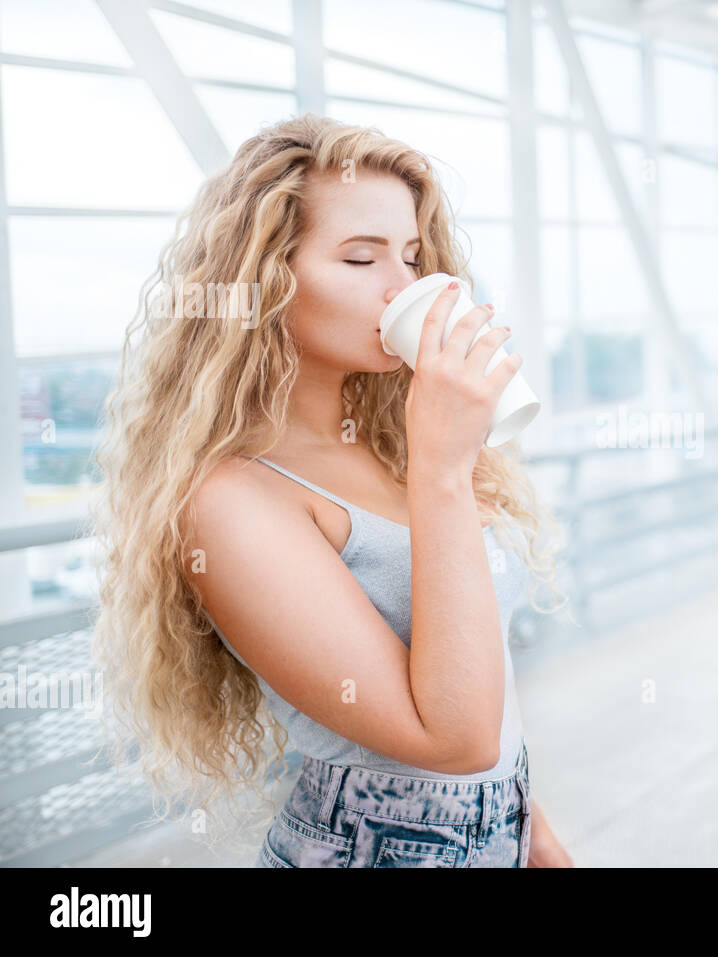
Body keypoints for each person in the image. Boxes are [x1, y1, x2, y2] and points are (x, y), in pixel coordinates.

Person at [89, 113, 574, 867]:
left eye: (412, 256)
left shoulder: (387, 439)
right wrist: (443, 470)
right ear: (266, 281)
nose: (405, 287)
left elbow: (480, 673)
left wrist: (530, 826)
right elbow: (452, 736)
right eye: (359, 258)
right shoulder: (230, 500)